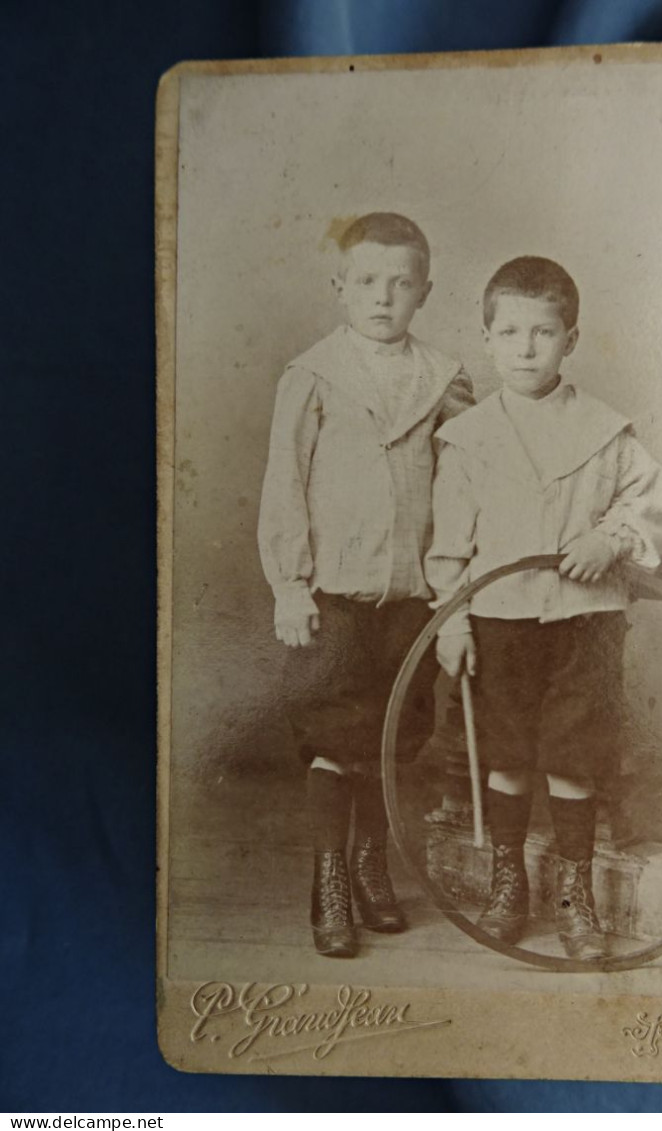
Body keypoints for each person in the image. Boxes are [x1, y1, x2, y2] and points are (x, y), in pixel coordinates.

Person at [425, 256, 662, 958]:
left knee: (573, 755)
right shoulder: (466, 437)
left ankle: (574, 894)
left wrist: (609, 537)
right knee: (505, 755)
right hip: (499, 618)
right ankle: (509, 883)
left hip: (583, 622)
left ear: (569, 340)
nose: (525, 347)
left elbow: (649, 498)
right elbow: (448, 542)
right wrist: (450, 617)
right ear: (487, 338)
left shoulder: (605, 429)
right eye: (508, 332)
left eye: (542, 332)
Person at [258, 212, 473, 958]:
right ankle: (328, 878)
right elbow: (284, 482)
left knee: (391, 738)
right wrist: (290, 584)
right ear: (340, 288)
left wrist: (455, 595)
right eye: (367, 282)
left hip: (410, 597)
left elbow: (466, 482)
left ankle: (369, 865)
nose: (383, 298)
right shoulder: (314, 375)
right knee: (331, 734)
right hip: (333, 598)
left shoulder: (443, 378)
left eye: (401, 284)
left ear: (424, 292)